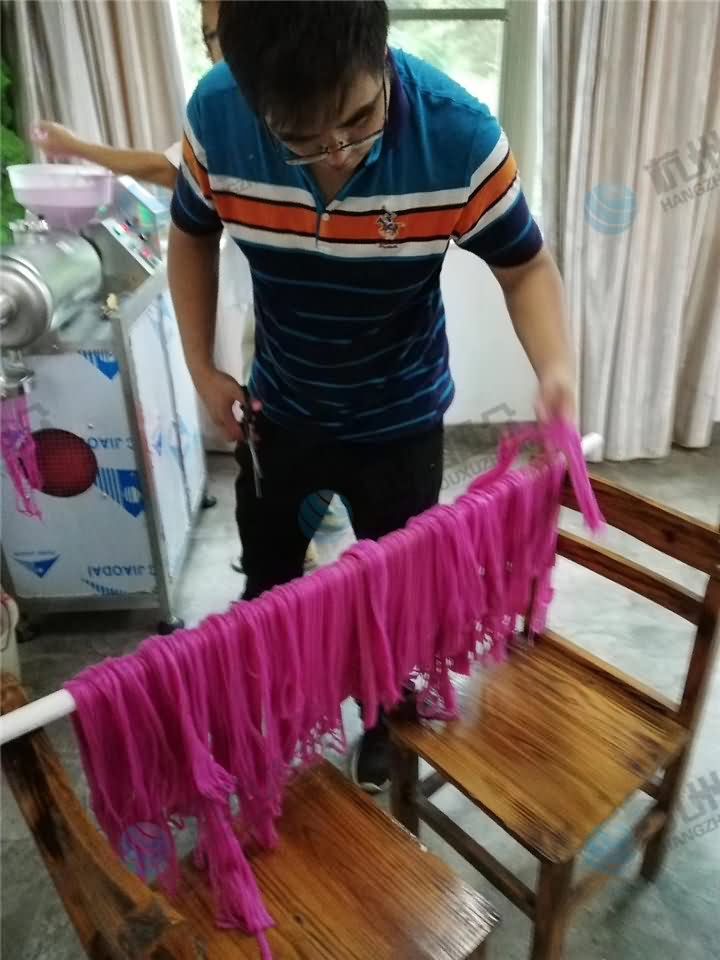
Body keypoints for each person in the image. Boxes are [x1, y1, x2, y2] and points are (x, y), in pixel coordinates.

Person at [168, 0, 576, 792]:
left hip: (400, 417)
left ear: (382, 53)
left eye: (358, 120)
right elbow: (191, 232)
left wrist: (555, 367)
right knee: (269, 587)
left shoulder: (458, 136)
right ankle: (276, 714)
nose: (338, 153)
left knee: (398, 596)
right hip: (281, 412)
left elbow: (525, 267)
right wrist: (200, 367)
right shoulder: (217, 115)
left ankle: (389, 717)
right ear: (253, 100)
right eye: (301, 138)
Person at [30, 0, 335, 571]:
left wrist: (78, 148)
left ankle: (306, 533)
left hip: (315, 326)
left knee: (296, 428)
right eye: (209, 39)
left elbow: (165, 169)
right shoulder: (225, 107)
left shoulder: (289, 105)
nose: (219, 52)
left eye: (223, 35)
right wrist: (201, 367)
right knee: (280, 432)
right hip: (274, 310)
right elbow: (183, 190)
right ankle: (300, 535)